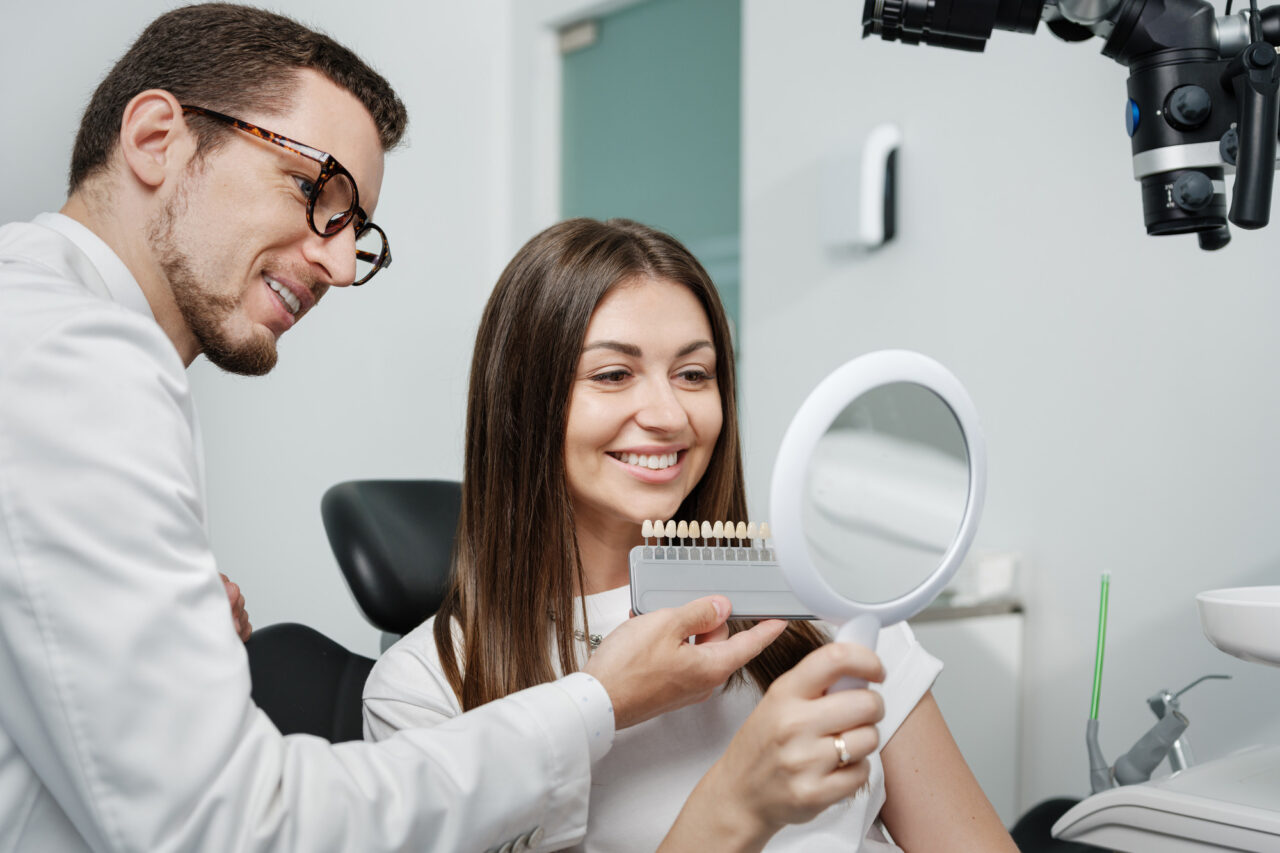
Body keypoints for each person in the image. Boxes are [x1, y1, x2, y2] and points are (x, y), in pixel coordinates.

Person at [0, 6, 797, 851]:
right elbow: (221, 825)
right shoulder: (75, 356)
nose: (342, 267)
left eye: (695, 371)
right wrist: (598, 704)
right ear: (159, 137)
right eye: (318, 193)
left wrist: (170, 650)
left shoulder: (777, 591)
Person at [363, 218, 1019, 852]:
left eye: (694, 373)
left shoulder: (832, 607)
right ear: (522, 401)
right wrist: (738, 805)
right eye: (614, 374)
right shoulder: (424, 691)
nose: (670, 414)